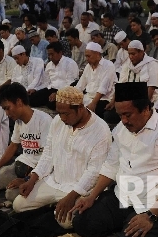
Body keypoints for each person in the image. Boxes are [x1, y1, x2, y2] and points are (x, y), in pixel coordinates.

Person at [72, 82, 158, 237]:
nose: (124, 121)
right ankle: (126, 223)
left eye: (128, 115)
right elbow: (111, 165)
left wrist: (150, 216)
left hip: (154, 204)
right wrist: (91, 196)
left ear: (145, 110)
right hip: (122, 196)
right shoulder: (121, 129)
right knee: (81, 223)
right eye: (120, 115)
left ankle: (145, 225)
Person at [13, 86, 111, 229]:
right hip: (54, 181)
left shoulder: (101, 130)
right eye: (59, 113)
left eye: (66, 114)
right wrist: (32, 179)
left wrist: (71, 197)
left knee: (67, 223)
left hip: (77, 189)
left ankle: (53, 209)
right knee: (18, 205)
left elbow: (94, 172)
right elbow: (48, 154)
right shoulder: (58, 121)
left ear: (80, 108)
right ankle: (52, 208)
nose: (62, 118)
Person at [0, 83, 53, 200]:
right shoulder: (18, 121)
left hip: (37, 172)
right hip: (20, 165)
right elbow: (13, 146)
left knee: (11, 195)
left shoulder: (44, 121)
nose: (6, 113)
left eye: (7, 108)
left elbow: (48, 157)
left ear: (19, 102)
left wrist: (27, 179)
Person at [77, 42, 116, 117]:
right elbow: (80, 85)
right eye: (86, 56)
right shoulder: (88, 66)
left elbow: (103, 88)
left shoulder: (108, 65)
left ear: (97, 55)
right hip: (88, 97)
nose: (87, 59)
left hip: (103, 100)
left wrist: (93, 103)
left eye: (89, 56)